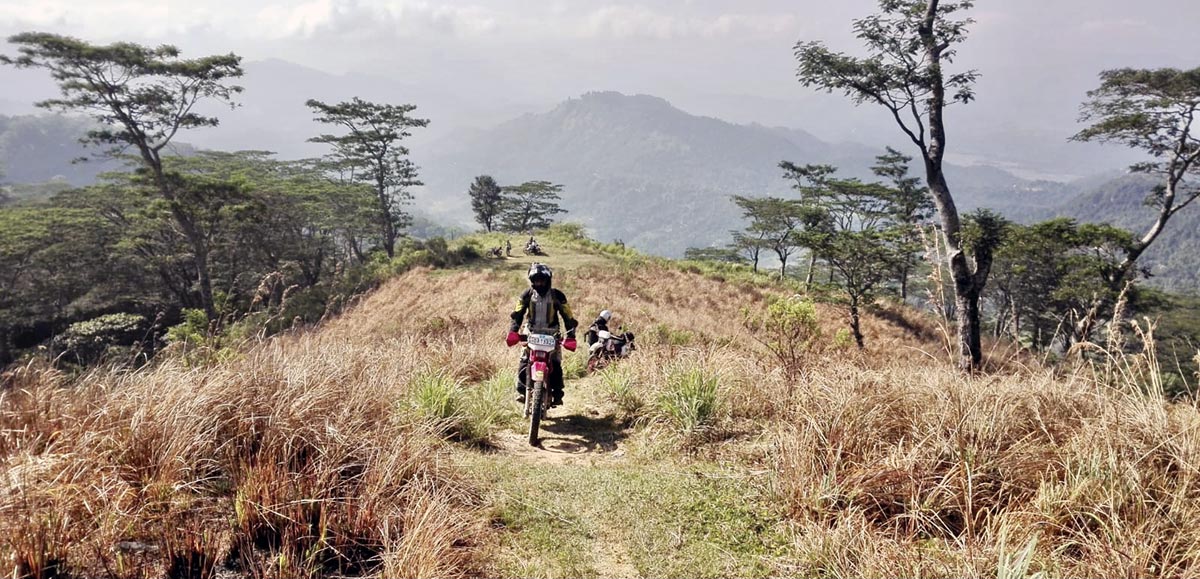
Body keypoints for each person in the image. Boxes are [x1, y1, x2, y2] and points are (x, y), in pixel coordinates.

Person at [507, 263, 578, 406]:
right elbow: (517, 314)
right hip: (531, 332)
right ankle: (522, 391)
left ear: (548, 280)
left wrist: (571, 336)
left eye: (542, 280)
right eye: (536, 280)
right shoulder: (526, 295)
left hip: (552, 334)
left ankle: (557, 393)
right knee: (524, 360)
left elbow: (568, 317)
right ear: (532, 281)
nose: (539, 283)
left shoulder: (557, 295)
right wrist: (513, 331)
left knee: (555, 363)